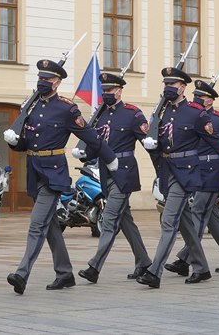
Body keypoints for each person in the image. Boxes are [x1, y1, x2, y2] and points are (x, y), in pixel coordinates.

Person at [3, 59, 117, 294]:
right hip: (34, 170)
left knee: (36, 223)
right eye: (40, 78)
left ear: (57, 82)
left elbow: (90, 135)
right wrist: (15, 142)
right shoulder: (31, 105)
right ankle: (64, 274)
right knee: (50, 224)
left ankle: (22, 273)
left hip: (54, 171)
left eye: (47, 79)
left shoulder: (67, 108)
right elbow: (26, 140)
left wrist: (110, 158)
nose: (42, 82)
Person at [137, 67, 219, 288]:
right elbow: (157, 144)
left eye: (173, 85)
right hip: (168, 171)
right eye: (166, 84)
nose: (168, 88)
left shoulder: (196, 113)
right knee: (186, 222)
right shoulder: (161, 112)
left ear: (183, 87)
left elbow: (217, 142)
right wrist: (149, 144)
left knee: (169, 221)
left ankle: (154, 272)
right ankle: (201, 268)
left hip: (186, 172)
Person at [163, 79, 219, 279]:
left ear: (210, 100)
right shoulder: (188, 115)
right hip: (194, 170)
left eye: (201, 97)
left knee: (198, 211)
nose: (197, 99)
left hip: (210, 171)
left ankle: (185, 259)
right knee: (212, 217)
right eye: (195, 96)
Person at [76, 72, 152, 283]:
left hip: (124, 173)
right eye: (104, 91)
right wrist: (84, 154)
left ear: (119, 91)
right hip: (105, 172)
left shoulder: (132, 114)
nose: (105, 94)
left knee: (109, 219)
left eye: (109, 91)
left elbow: (149, 143)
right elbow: (97, 144)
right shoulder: (100, 115)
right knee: (126, 220)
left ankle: (94, 267)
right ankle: (145, 262)